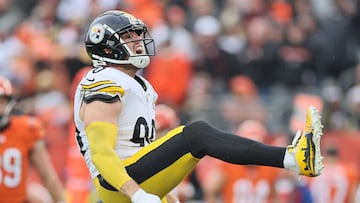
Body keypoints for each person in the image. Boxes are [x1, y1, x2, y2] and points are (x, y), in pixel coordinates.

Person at [74, 10, 324, 203]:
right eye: (128, 37)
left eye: (138, 34)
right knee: (196, 134)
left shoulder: (138, 84)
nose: (138, 41)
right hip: (117, 182)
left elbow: (146, 149)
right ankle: (292, 158)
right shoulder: (104, 80)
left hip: (135, 175)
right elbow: (102, 153)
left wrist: (166, 194)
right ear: (107, 47)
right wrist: (136, 193)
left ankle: (294, 159)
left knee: (194, 141)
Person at [0, 76, 65, 203]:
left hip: (17, 199)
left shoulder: (27, 128)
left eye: (1, 102)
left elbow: (48, 176)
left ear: (10, 103)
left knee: (40, 197)